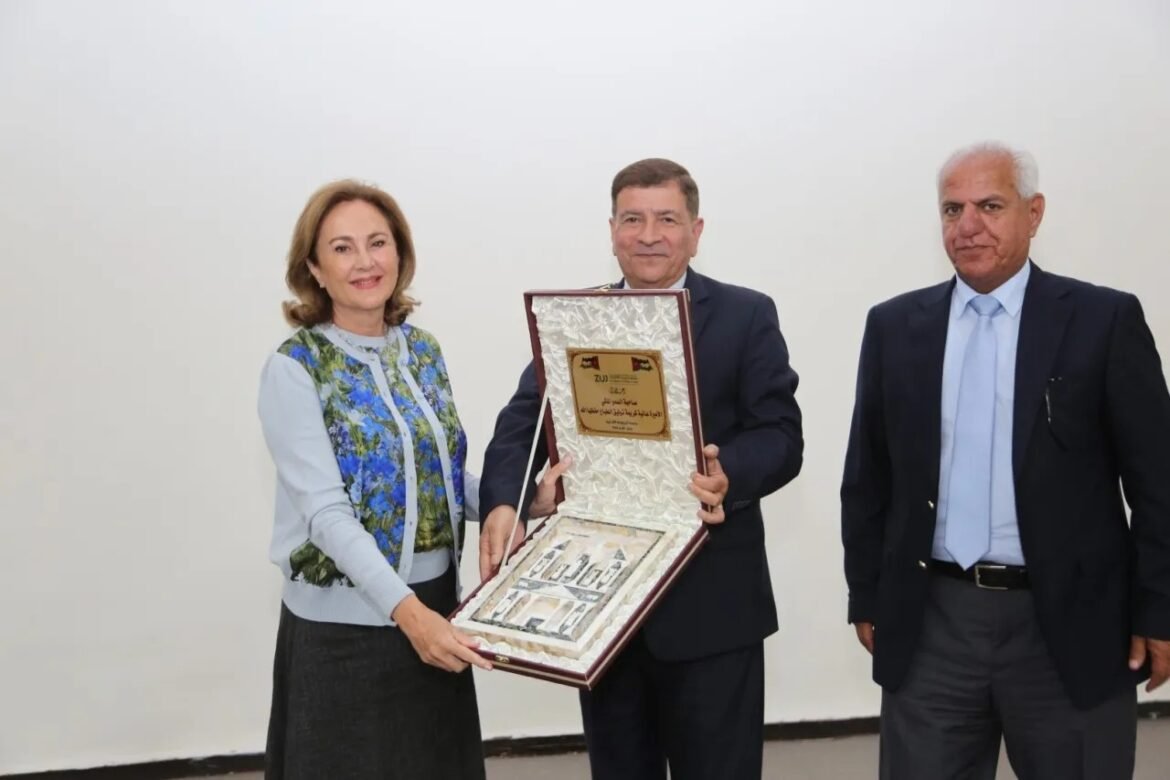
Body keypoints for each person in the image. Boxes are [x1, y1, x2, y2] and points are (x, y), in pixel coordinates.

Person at [840, 142, 1170, 779]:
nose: (968, 225)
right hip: (933, 620)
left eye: (990, 205)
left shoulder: (1102, 321)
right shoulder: (895, 326)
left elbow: (1158, 485)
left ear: (1034, 212)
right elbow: (868, 478)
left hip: (1069, 627)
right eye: (951, 209)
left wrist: (1159, 610)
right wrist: (868, 594)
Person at [479, 158, 804, 780]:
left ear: (696, 230)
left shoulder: (746, 315)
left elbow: (782, 436)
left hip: (714, 611)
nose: (649, 234)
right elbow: (523, 422)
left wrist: (727, 472)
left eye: (666, 219)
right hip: (604, 615)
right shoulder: (578, 317)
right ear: (611, 230)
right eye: (633, 219)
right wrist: (508, 502)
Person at [258, 179, 558, 778]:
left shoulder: (422, 350)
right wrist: (408, 613)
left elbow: (438, 476)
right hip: (344, 634)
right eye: (342, 248)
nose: (365, 261)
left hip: (437, 608)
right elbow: (326, 513)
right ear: (314, 268)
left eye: (378, 242)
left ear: (400, 252)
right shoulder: (295, 369)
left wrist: (525, 497)